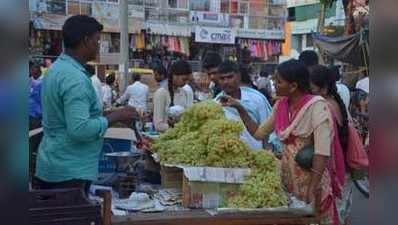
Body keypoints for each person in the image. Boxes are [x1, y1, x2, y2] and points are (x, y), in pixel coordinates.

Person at [223, 59, 345, 225]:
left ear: (293, 86)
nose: (274, 84)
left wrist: (313, 187)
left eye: (278, 81)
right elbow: (259, 134)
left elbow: (322, 152)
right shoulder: (281, 105)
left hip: (311, 181)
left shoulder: (317, 106)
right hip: (288, 180)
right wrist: (240, 108)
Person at [35, 15, 139, 192]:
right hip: (69, 173)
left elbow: (69, 117)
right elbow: (79, 129)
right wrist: (116, 116)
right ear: (86, 41)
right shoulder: (74, 78)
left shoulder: (57, 69)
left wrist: (111, 115)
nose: (99, 45)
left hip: (54, 164)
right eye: (97, 40)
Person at [309, 65, 353, 225]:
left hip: (332, 166)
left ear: (323, 88)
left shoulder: (323, 107)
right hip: (342, 166)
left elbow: (326, 148)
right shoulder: (334, 101)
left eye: (311, 87)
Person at [215, 60, 275, 151]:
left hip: (257, 155)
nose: (226, 82)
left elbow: (268, 131)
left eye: (230, 77)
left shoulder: (257, 99)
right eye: (222, 78)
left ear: (238, 76)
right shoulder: (215, 104)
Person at [153, 60, 190, 132]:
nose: (186, 83)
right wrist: (176, 127)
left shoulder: (183, 92)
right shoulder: (161, 93)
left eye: (187, 80)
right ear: (174, 76)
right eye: (184, 79)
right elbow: (158, 126)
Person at [29, 63, 43, 130]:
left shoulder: (42, 83)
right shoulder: (30, 81)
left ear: (39, 72)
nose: (32, 75)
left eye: (35, 74)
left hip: (37, 114)